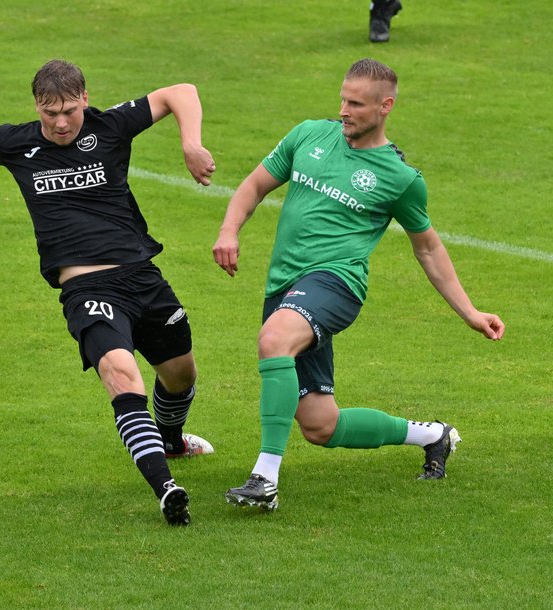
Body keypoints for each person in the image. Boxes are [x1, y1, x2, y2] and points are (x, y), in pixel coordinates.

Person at [0, 59, 217, 525]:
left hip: (142, 278)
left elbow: (181, 90)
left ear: (85, 100)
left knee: (180, 376)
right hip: (86, 290)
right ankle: (166, 489)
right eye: (50, 112)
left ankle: (172, 441)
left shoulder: (109, 127)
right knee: (121, 374)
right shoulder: (16, 143)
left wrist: (191, 145)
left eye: (70, 111)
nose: (60, 123)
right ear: (36, 105)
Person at [211, 58, 505, 512]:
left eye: (356, 104)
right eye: (343, 99)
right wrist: (229, 230)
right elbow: (254, 186)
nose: (344, 110)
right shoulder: (309, 134)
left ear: (385, 107)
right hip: (285, 286)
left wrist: (470, 312)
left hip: (336, 284)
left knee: (274, 339)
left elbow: (428, 248)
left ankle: (264, 479)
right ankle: (433, 435)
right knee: (320, 426)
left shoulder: (400, 178)